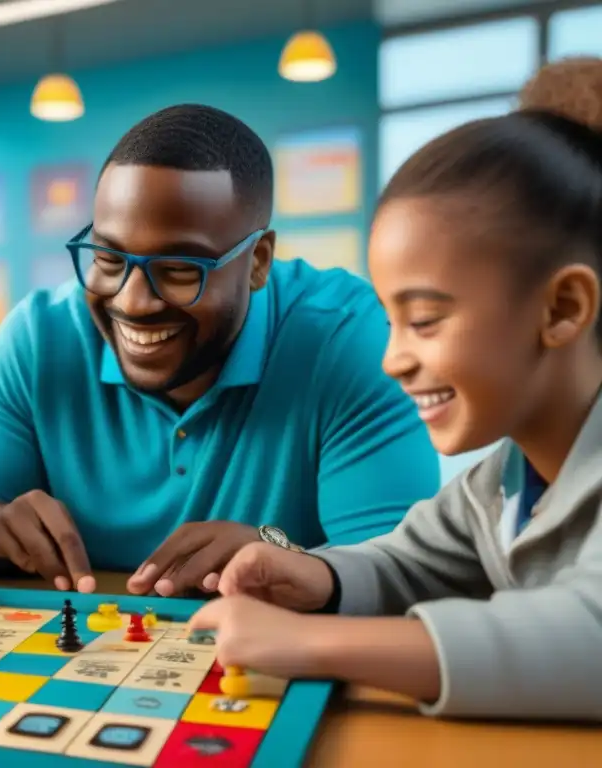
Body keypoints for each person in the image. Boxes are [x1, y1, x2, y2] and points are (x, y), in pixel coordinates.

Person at [188, 58, 602, 722]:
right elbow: (413, 561)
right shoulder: (505, 477)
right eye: (391, 320)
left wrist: (319, 643)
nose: (393, 360)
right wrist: (318, 578)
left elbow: (588, 636)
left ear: (562, 309)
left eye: (427, 321)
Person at [0, 104, 440, 596]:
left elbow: (402, 568)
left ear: (257, 261)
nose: (133, 302)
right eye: (107, 258)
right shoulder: (38, 336)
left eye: (179, 270)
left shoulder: (349, 340)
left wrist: (281, 552)